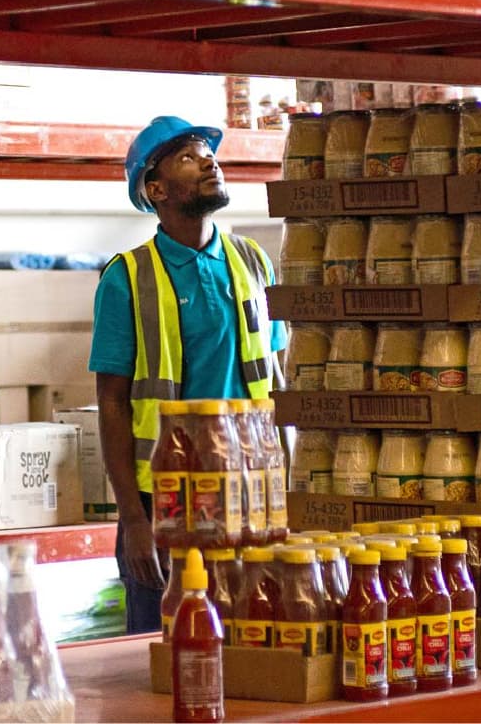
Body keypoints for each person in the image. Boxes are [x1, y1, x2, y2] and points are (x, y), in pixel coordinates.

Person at [89, 116, 287, 635]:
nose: (208, 163)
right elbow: (112, 403)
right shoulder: (127, 277)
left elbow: (280, 377)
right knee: (162, 646)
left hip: (250, 488)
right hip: (167, 500)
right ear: (155, 190)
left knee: (252, 641)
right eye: (188, 158)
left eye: (209, 154)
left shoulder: (252, 261)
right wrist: (133, 519)